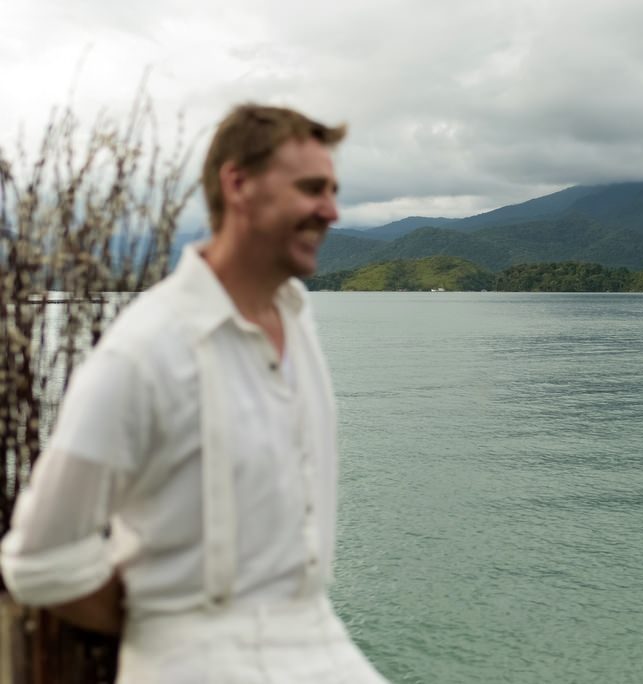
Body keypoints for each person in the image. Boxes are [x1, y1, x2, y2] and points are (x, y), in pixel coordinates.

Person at [1, 105, 389, 683]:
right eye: (312, 189)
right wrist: (166, 621)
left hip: (319, 641)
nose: (332, 212)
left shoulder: (299, 322)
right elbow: (39, 560)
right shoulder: (143, 351)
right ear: (238, 185)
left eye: (333, 190)